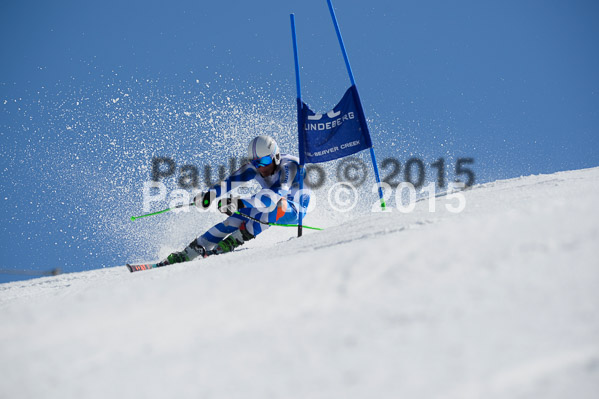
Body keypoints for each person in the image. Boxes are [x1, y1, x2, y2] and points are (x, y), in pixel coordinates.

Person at [165, 135, 310, 264]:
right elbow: (228, 183)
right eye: (256, 163)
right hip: (269, 202)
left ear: (275, 156)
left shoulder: (290, 165)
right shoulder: (257, 167)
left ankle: (235, 240)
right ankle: (193, 250)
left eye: (265, 161)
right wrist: (209, 195)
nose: (260, 167)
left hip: (294, 209)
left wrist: (237, 203)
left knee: (277, 204)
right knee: (234, 219)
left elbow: (272, 199)